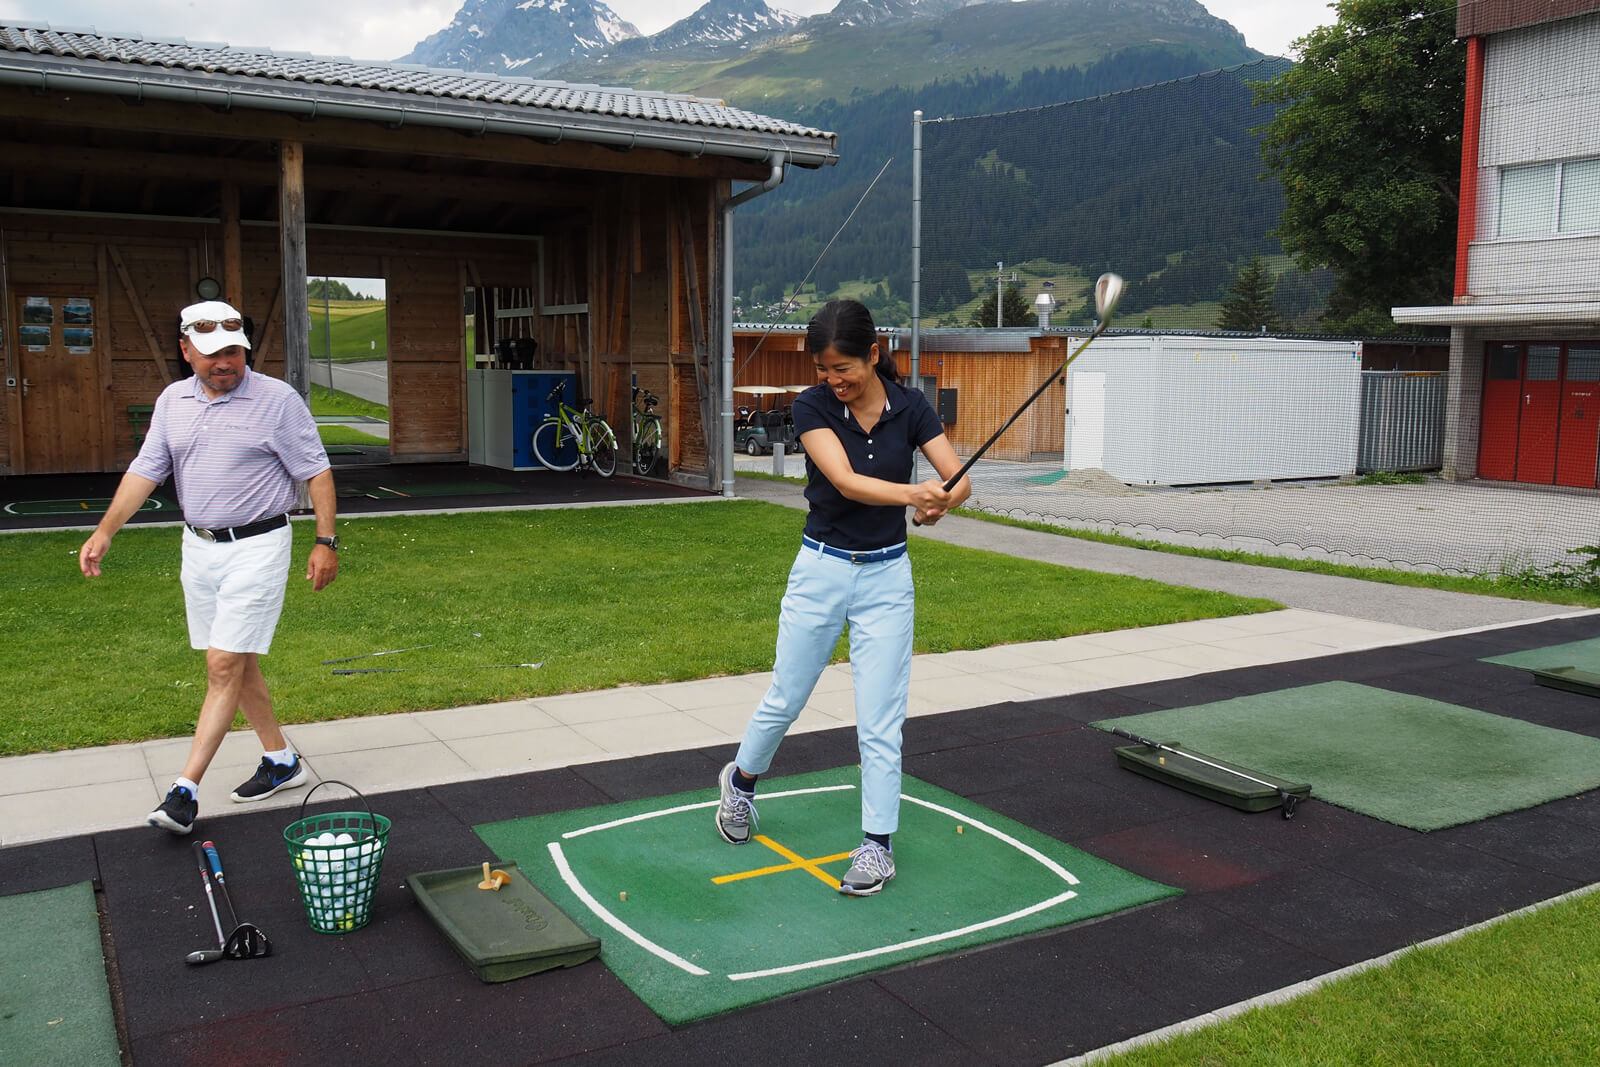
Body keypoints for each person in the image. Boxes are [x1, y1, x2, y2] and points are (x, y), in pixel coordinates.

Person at [716, 299, 971, 895]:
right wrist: (917, 496)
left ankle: (877, 846)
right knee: (787, 695)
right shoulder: (811, 407)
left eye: (843, 368)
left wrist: (944, 502)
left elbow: (959, 477)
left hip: (887, 580)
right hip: (822, 571)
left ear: (874, 355)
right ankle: (741, 783)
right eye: (824, 369)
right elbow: (846, 482)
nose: (833, 380)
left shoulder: (911, 407)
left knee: (881, 717)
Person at [78, 300, 340, 835]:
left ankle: (184, 791)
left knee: (222, 664)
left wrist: (326, 541)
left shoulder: (276, 399)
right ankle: (281, 760)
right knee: (236, 661)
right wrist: (105, 530)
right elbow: (148, 468)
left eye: (233, 352)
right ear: (185, 351)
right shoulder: (173, 400)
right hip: (198, 548)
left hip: (259, 544)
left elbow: (315, 471)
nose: (224, 362)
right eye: (211, 354)